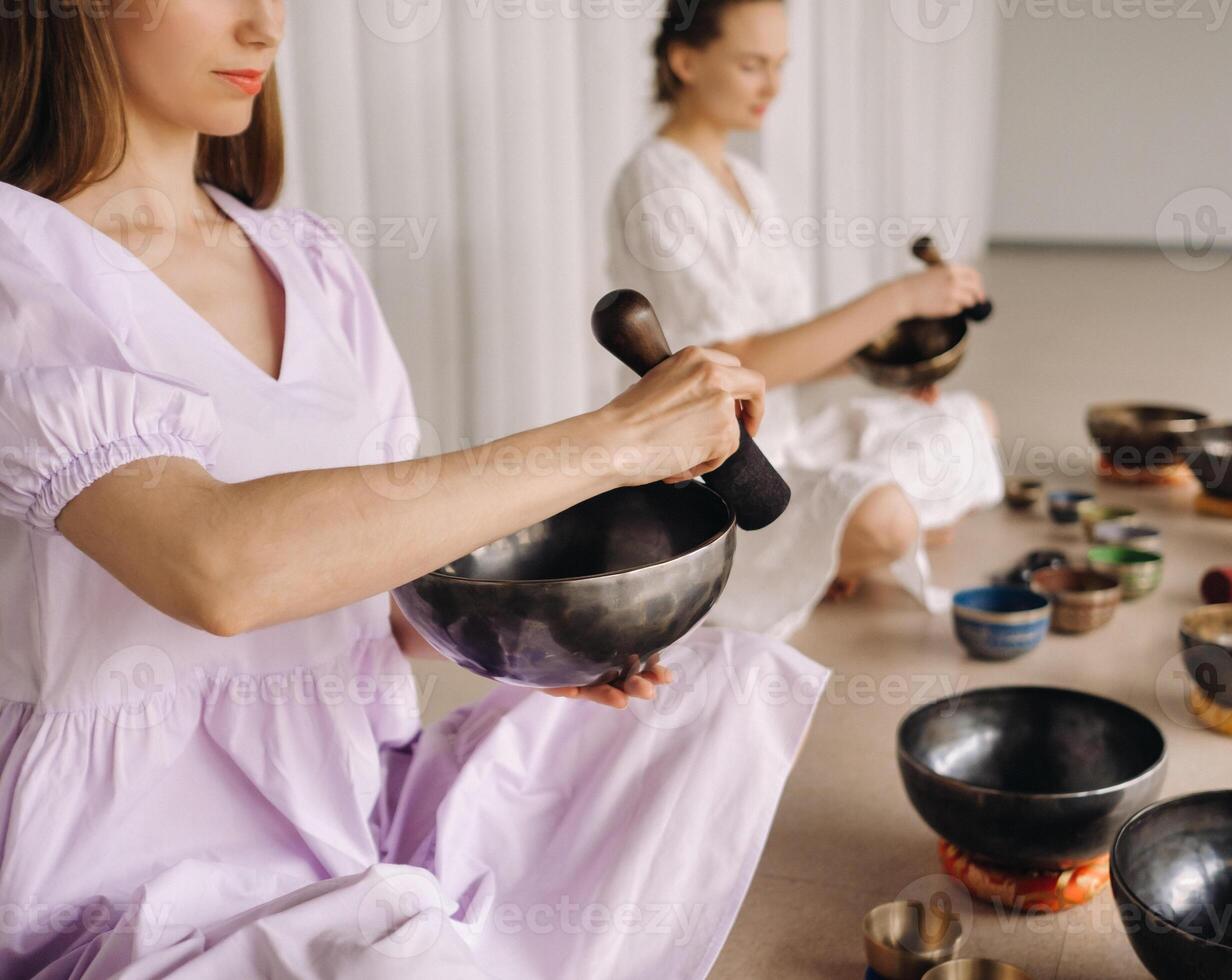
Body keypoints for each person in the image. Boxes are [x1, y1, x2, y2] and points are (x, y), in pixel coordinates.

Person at [0, 4, 826, 978]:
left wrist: (525, 635)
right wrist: (615, 439)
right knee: (408, 953)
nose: (266, 29)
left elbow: (381, 589)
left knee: (715, 699)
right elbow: (216, 566)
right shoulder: (25, 263)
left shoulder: (309, 262)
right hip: (138, 871)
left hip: (346, 799)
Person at [607, 0, 1005, 640]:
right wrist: (899, 298)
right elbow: (741, 361)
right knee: (888, 519)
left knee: (971, 421)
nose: (773, 86)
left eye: (781, 65)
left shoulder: (745, 180)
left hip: (793, 432)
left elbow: (786, 348)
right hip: (720, 471)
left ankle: (837, 549)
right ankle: (850, 546)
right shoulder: (656, 183)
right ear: (685, 61)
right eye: (752, 65)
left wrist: (882, 366)